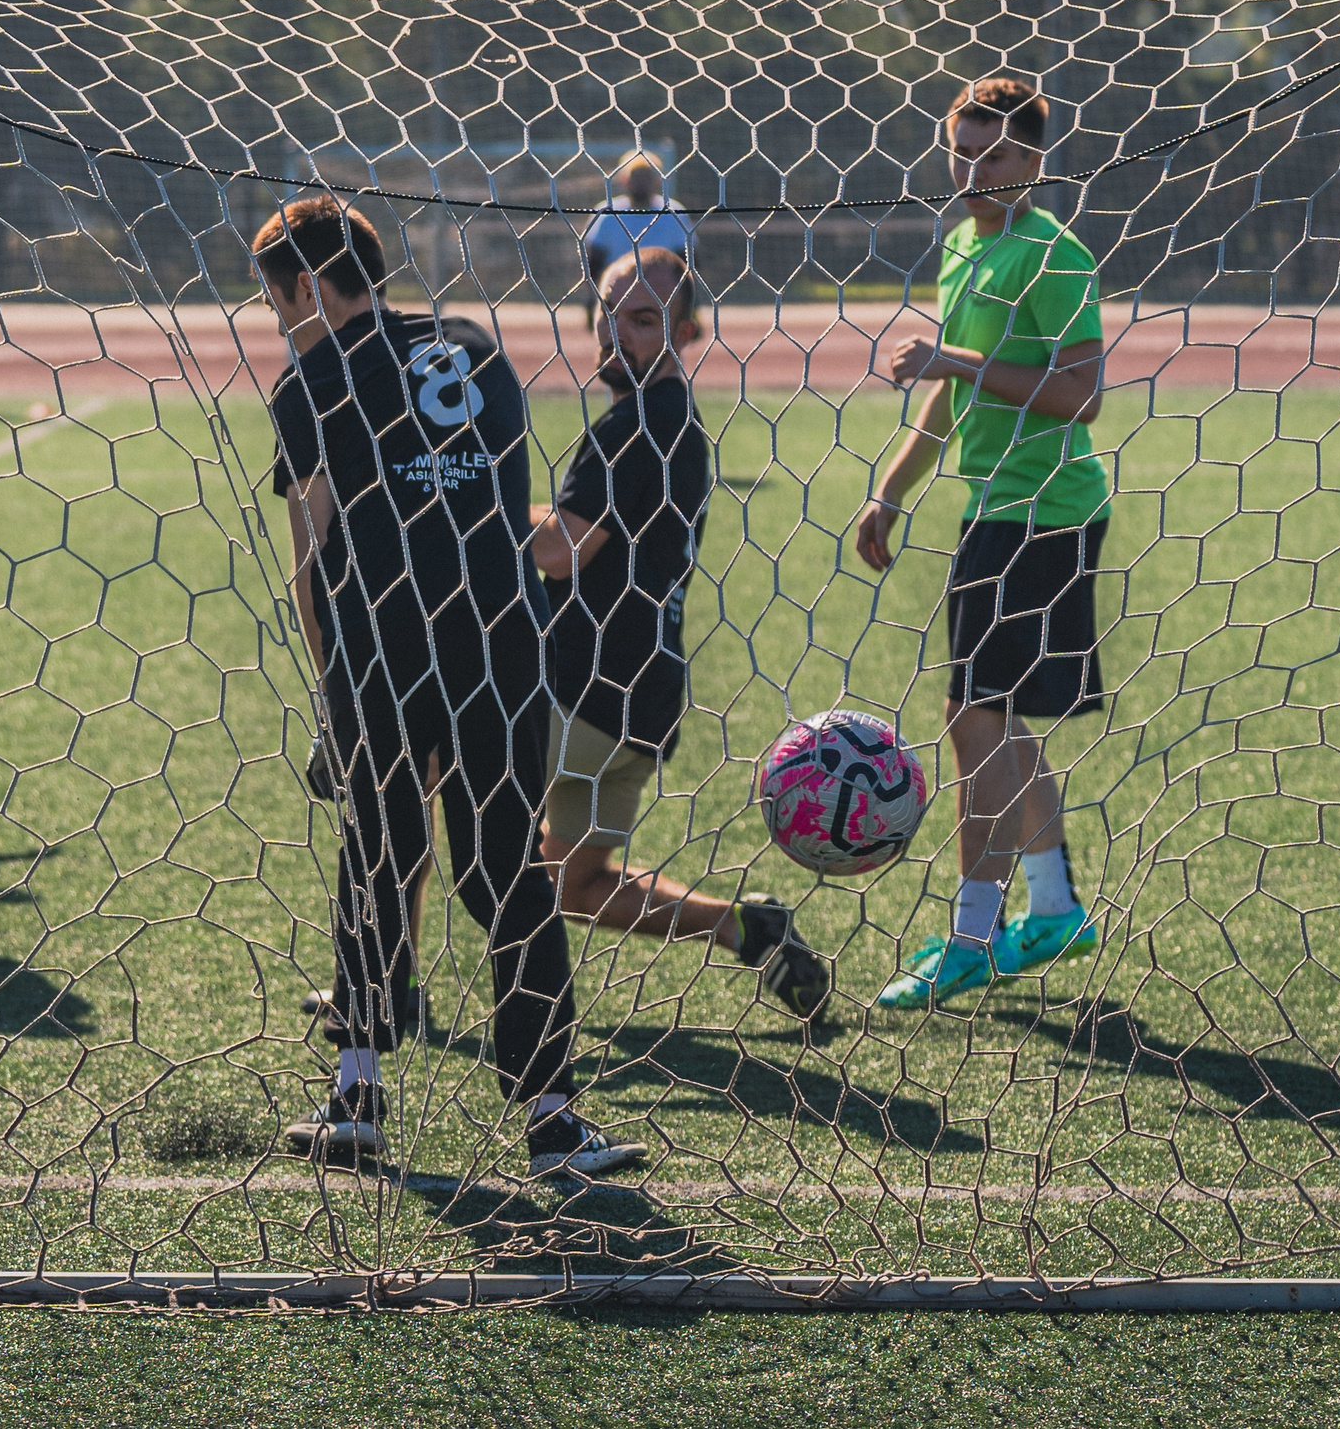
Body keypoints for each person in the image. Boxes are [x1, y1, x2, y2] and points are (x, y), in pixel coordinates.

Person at [259, 192, 644, 1177]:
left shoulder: (312, 377)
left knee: (379, 854)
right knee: (505, 869)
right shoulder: (473, 343)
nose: (274, 318)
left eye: (273, 299)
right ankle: (553, 1120)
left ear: (304, 284)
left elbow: (313, 549)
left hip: (386, 641)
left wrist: (327, 683)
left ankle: (357, 1096)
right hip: (503, 639)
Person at [853, 77, 1110, 1010]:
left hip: (1046, 512)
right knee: (987, 719)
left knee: (975, 722)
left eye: (992, 155)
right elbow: (950, 397)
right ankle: (1053, 908)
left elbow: (1082, 394)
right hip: (992, 511)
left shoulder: (1054, 256)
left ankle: (973, 935)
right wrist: (889, 491)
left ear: (1035, 163)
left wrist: (953, 359)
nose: (971, 170)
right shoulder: (964, 246)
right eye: (959, 152)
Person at [529, 247, 833, 1021]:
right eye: (607, 313)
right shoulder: (678, 424)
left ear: (688, 331)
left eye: (640, 320)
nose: (613, 334)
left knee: (414, 771)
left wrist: (467, 508)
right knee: (575, 885)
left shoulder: (634, 426)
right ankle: (744, 927)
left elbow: (558, 554)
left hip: (578, 692)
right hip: (643, 701)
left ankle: (380, 989)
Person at [580, 152, 693, 285]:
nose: (641, 182)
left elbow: (687, 259)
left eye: (647, 176)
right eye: (636, 176)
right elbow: (594, 261)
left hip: (664, 292)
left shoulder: (673, 213)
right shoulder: (607, 213)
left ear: (657, 179)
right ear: (625, 179)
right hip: (618, 291)